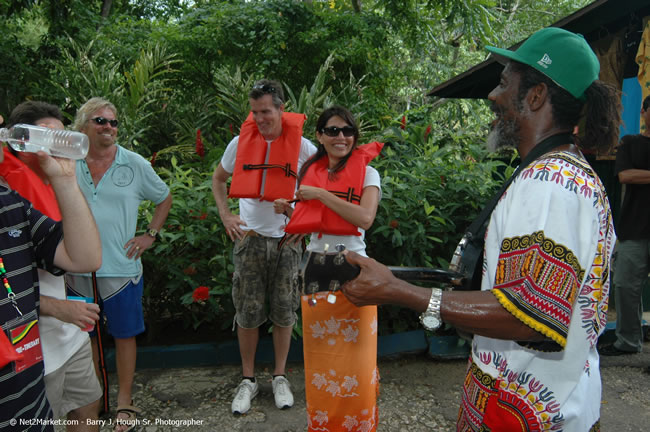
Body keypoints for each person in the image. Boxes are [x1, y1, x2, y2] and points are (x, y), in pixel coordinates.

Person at [342, 27, 620, 431]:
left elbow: (530, 313)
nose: (493, 96)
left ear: (536, 95)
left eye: (505, 82)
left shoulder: (551, 184)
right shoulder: (560, 172)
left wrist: (398, 291)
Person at [65, 97, 172, 432]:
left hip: (121, 268)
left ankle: (125, 402)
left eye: (113, 122)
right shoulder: (67, 161)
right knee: (87, 337)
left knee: (124, 335)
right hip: (74, 269)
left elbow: (163, 197)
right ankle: (92, 400)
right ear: (83, 125)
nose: (109, 127)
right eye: (101, 121)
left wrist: (150, 234)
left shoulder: (134, 163)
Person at [212, 79, 317, 414]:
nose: (259, 118)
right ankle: (248, 380)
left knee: (285, 313)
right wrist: (226, 215)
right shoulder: (239, 143)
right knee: (247, 313)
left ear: (281, 109)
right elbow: (218, 179)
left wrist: (302, 219)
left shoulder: (304, 148)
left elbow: (322, 192)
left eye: (266, 111)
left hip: (288, 242)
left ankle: (279, 377)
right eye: (255, 112)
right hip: (250, 241)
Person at [274, 106, 382, 431]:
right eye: (332, 131)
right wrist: (288, 211)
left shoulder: (368, 173)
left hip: (354, 268)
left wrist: (320, 194)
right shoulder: (311, 171)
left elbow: (365, 218)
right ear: (319, 136)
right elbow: (311, 224)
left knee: (358, 361)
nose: (341, 137)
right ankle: (323, 425)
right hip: (317, 267)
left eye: (347, 131)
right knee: (322, 360)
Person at [0, 101, 102, 431]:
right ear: (25, 142)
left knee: (88, 409)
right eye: (46, 136)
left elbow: (86, 259)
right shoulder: (15, 188)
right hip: (34, 349)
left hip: (59, 344)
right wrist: (56, 307)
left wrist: (66, 180)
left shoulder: (12, 202)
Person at [600, 95, 650, 357]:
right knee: (625, 285)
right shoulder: (630, 143)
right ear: (643, 112)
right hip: (634, 227)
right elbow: (625, 175)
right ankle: (628, 342)